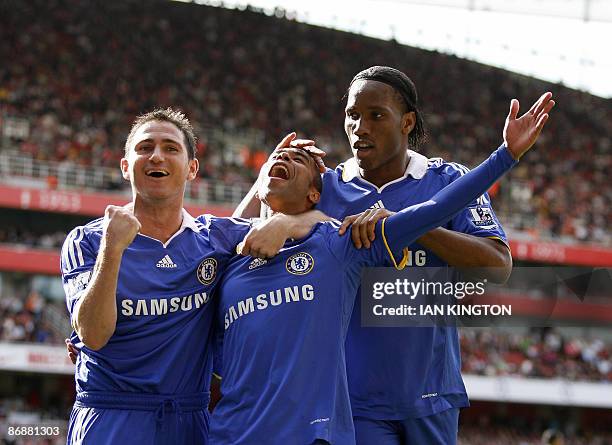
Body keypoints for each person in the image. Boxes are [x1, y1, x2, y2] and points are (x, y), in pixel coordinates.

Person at [211, 87, 553, 444]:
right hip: (353, 400)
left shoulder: (448, 179)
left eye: (376, 115)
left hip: (431, 390)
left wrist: (407, 227)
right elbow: (248, 239)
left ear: (407, 122)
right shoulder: (325, 186)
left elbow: (497, 264)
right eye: (352, 115)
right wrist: (275, 183)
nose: (360, 126)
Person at [61, 108, 312, 445]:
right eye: (144, 147)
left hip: (189, 419)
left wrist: (282, 221)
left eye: (171, 148)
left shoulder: (214, 238)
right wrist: (113, 249)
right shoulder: (89, 241)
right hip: (112, 416)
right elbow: (92, 334)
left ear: (192, 168)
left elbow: (319, 225)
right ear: (125, 167)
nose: (157, 156)